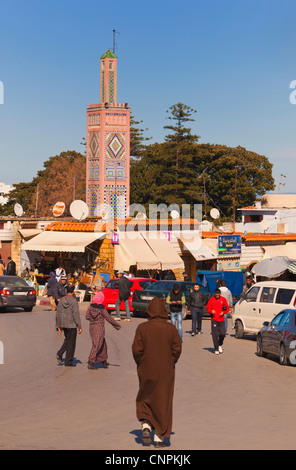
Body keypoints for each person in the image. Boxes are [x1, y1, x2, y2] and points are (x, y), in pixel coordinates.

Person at [132, 297, 182, 448]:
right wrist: (170, 361)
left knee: (145, 395)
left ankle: (146, 424)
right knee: (163, 400)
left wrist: (141, 363)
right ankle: (159, 437)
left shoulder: (142, 328)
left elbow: (136, 350)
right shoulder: (171, 329)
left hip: (146, 368)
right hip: (166, 370)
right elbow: (177, 349)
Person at [85, 291, 121, 370]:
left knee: (103, 344)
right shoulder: (102, 309)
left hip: (92, 328)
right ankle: (91, 362)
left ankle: (103, 361)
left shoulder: (90, 307)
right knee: (96, 345)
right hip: (99, 329)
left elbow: (87, 317)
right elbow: (109, 318)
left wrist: (93, 320)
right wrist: (117, 325)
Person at [56, 285, 82, 367]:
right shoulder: (74, 302)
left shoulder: (61, 300)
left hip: (64, 324)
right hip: (72, 324)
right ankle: (68, 361)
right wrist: (79, 326)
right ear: (73, 291)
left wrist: (58, 325)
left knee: (67, 340)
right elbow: (76, 315)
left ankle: (60, 353)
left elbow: (58, 313)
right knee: (71, 343)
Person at [206, 289, 229, 355]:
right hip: (214, 320)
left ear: (220, 294)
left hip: (221, 320)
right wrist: (211, 311)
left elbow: (227, 308)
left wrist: (223, 312)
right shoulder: (211, 299)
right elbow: (208, 307)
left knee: (223, 333)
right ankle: (216, 348)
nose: (217, 296)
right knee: (215, 335)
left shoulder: (223, 299)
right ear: (214, 294)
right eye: (216, 295)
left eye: (218, 295)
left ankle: (220, 344)